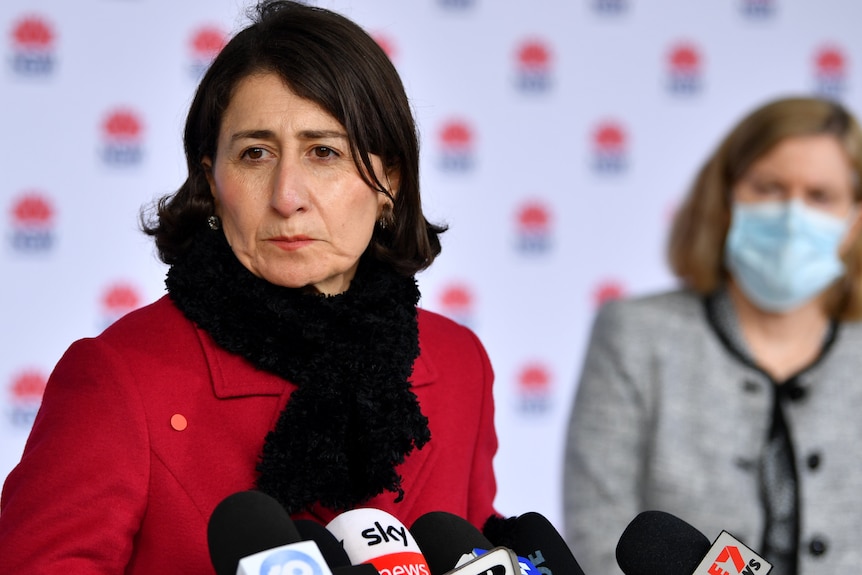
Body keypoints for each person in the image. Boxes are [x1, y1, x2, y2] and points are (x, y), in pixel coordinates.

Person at [0, 2, 499, 573]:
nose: (287, 196)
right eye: (255, 154)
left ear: (389, 183)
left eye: (324, 152)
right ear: (212, 181)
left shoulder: (460, 367)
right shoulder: (121, 378)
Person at [563, 96, 862, 575]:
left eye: (820, 196)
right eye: (769, 188)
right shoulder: (636, 335)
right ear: (725, 198)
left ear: (855, 219)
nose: (792, 217)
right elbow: (599, 532)